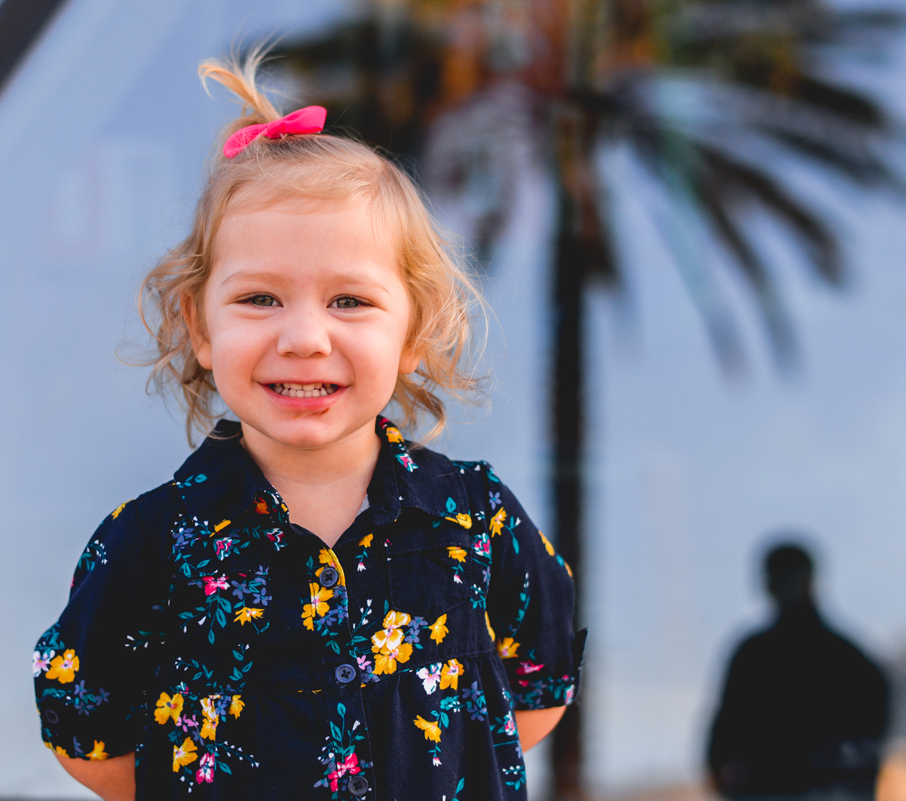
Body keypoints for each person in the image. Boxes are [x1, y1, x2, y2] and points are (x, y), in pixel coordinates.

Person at [31, 50, 584, 801]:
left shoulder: (475, 520)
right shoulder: (149, 542)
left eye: (349, 301)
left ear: (413, 333)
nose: (304, 337)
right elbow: (87, 737)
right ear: (198, 324)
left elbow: (538, 687)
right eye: (259, 298)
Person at [707, 542, 890, 800]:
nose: (774, 585)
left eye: (782, 576)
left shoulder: (754, 655)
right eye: (774, 576)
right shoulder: (847, 658)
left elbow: (722, 734)